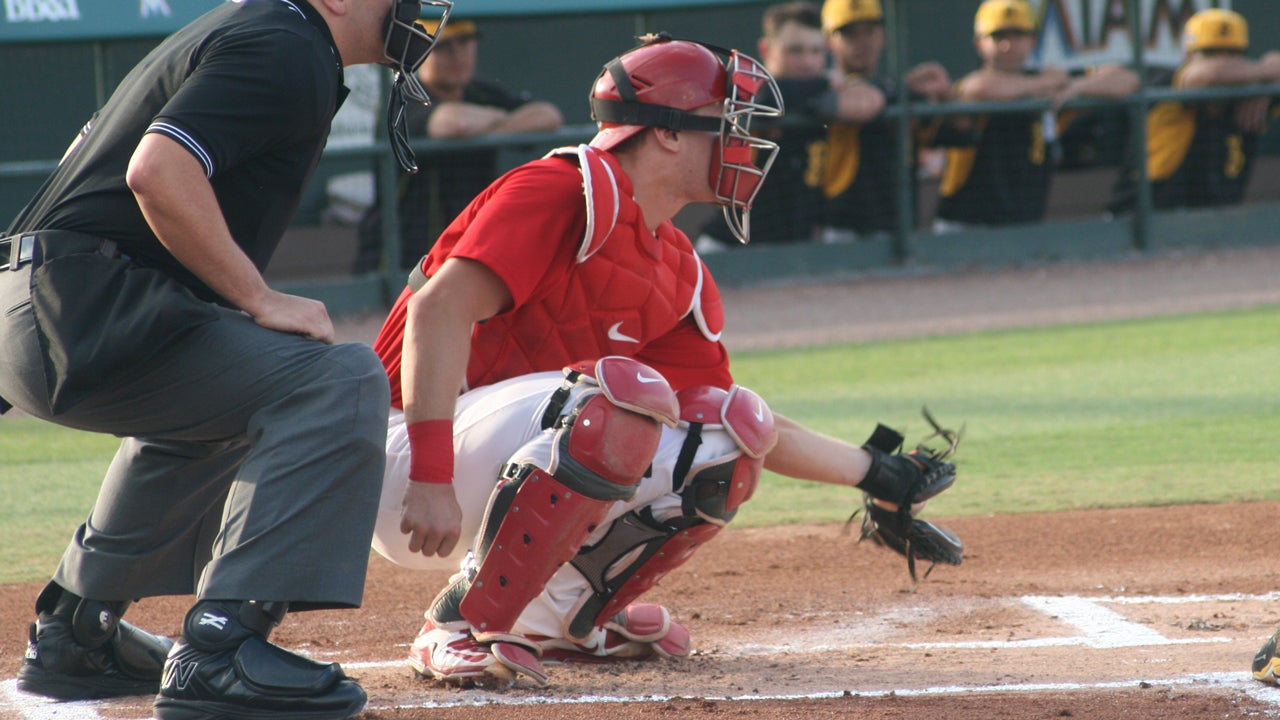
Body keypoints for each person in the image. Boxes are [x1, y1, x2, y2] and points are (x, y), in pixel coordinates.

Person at [368, 34, 962, 690]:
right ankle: (456, 624)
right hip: (400, 459)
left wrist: (875, 472)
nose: (745, 146)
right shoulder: (559, 189)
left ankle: (561, 621)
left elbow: (736, 421)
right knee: (616, 402)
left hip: (503, 456)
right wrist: (429, 474)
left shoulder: (674, 265)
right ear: (670, 135)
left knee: (732, 434)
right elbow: (436, 312)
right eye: (729, 127)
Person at [0, 1, 454, 718]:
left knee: (241, 391)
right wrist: (260, 296)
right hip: (82, 301)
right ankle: (223, 646)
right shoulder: (287, 44)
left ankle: (77, 636)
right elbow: (157, 170)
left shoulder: (260, 30)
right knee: (336, 377)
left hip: (49, 303)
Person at [354, 18, 564, 272]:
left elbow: (548, 115)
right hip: (401, 255)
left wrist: (489, 123)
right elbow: (453, 124)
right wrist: (502, 120)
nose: (457, 57)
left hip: (466, 245)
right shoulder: (405, 93)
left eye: (465, 44)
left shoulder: (481, 93)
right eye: (443, 47)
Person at [932, 0, 1137, 231]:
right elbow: (978, 88)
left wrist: (1077, 87)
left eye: (1018, 35)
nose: (1009, 45)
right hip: (965, 225)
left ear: (1033, 40)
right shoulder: (980, 85)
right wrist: (1046, 84)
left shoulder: (1050, 82)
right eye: (999, 37)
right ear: (979, 43)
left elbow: (1127, 80)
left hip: (1024, 226)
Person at [695, 1, 884, 249]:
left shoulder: (819, 96)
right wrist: (826, 85)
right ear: (766, 49)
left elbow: (870, 101)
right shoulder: (746, 87)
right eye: (795, 51)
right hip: (729, 247)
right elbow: (764, 97)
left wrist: (832, 94)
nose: (807, 62)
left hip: (796, 250)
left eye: (816, 52)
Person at [1108, 8, 1280, 215]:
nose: (1222, 61)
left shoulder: (1250, 95)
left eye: (1232, 54)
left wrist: (1268, 86)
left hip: (1214, 227)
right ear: (1187, 56)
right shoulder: (1170, 82)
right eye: (1210, 53)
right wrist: (1264, 77)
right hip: (1140, 220)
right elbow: (1205, 75)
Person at [817, 0, 955, 243]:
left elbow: (952, 133)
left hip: (898, 226)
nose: (862, 42)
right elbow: (859, 99)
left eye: (869, 31)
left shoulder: (898, 89)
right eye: (850, 33)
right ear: (829, 41)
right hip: (843, 227)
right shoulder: (823, 89)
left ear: (882, 35)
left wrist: (944, 96)